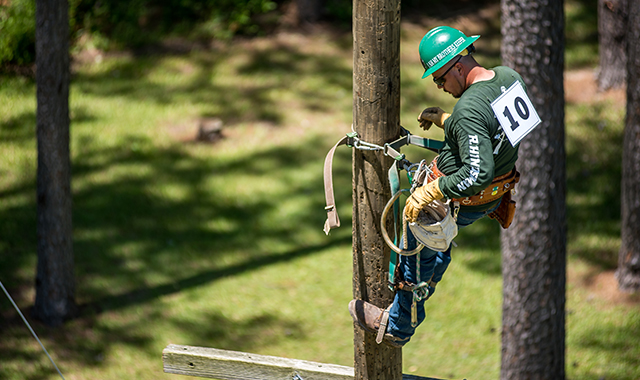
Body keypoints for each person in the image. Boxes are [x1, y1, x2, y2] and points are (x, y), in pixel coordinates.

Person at [349, 25, 526, 347]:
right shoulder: (507, 76)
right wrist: (449, 122)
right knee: (433, 250)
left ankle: (398, 327)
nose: (440, 86)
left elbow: (476, 174)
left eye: (440, 79)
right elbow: (500, 129)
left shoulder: (469, 110)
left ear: (458, 65)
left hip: (459, 198)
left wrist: (432, 190)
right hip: (493, 194)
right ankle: (428, 277)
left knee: (417, 252)